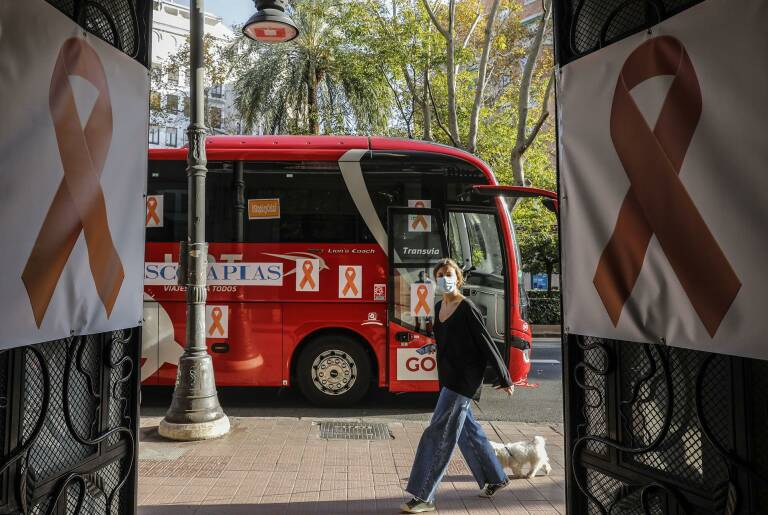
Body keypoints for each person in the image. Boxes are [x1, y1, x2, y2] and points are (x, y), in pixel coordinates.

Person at [401, 258, 515, 514]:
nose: (444, 278)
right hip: (448, 378)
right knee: (467, 431)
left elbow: (486, 343)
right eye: (440, 274)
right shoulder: (440, 306)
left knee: (438, 434)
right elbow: (446, 341)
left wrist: (504, 376)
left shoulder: (468, 307)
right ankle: (495, 478)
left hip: (463, 380)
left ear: (458, 278)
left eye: (448, 273)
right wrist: (428, 348)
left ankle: (424, 496)